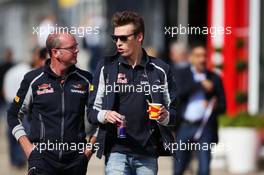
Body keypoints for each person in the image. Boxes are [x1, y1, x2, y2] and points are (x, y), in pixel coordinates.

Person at [88, 11, 177, 175]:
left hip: (148, 152)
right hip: (116, 150)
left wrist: (165, 117)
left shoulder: (160, 69)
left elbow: (175, 113)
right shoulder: (106, 67)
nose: (118, 43)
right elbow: (91, 112)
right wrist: (105, 114)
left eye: (123, 38)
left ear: (139, 37)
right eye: (115, 38)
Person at [7, 33, 97, 175]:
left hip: (75, 162)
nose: (77, 50)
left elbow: (101, 116)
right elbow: (13, 115)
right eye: (72, 47)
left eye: (76, 46)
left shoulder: (86, 79)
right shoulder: (33, 79)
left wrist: (88, 151)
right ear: (55, 52)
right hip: (41, 161)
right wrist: (29, 150)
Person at [172, 43, 226, 175]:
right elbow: (177, 94)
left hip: (205, 128)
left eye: (204, 56)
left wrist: (213, 107)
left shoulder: (214, 78)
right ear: (191, 58)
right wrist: (200, 85)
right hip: (184, 126)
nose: (202, 59)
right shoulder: (181, 74)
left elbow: (223, 106)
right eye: (198, 56)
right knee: (179, 167)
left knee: (204, 168)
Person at [3, 47, 47, 169]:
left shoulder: (12, 71)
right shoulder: (30, 73)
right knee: (25, 132)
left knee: (12, 132)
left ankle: (15, 160)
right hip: (23, 104)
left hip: (10, 101)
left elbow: (5, 88)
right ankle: (23, 158)